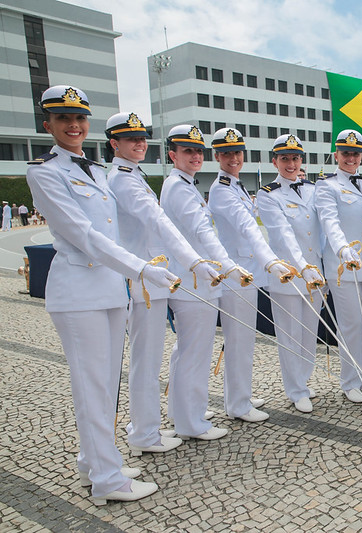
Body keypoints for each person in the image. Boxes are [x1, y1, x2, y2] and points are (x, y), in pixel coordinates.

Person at [26, 85, 178, 504]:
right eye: (63, 119)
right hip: (79, 292)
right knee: (92, 387)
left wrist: (134, 273)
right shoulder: (43, 172)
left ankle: (95, 461)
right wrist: (142, 268)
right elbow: (83, 235)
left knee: (107, 384)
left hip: (111, 290)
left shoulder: (93, 170)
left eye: (79, 119)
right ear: (48, 124)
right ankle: (108, 482)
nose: (73, 126)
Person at [106, 112, 217, 457]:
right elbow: (157, 221)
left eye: (141, 139)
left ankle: (146, 427)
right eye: (131, 140)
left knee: (150, 360)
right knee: (145, 360)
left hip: (151, 282)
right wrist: (195, 260)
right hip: (142, 282)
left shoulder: (134, 175)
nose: (139, 145)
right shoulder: (124, 178)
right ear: (115, 144)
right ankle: (144, 434)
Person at [159, 124, 247, 441]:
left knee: (186, 352)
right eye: (188, 151)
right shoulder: (179, 188)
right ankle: (191, 422)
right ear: (173, 154)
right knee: (194, 354)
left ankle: (182, 410)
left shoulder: (184, 184)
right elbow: (202, 232)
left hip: (196, 282)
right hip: (195, 284)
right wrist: (229, 264)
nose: (195, 156)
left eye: (198, 150)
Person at [207, 128, 291, 423]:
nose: (233, 158)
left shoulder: (236, 186)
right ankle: (238, 405)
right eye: (227, 153)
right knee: (238, 340)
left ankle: (239, 395)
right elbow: (247, 225)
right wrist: (271, 260)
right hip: (235, 276)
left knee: (243, 340)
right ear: (217, 156)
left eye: (237, 152)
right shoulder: (220, 190)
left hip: (247, 274)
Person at [257, 134, 325, 413]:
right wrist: (303, 267)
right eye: (284, 158)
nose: (290, 163)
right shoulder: (268, 194)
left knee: (309, 332)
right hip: (289, 275)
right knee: (290, 334)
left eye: (295, 158)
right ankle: (295, 390)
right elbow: (283, 235)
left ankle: (304, 383)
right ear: (275, 161)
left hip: (316, 275)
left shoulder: (312, 189)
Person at [315, 129, 362, 403]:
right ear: (336, 155)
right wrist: (343, 250)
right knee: (350, 324)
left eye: (355, 153)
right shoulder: (326, 186)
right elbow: (330, 223)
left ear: (360, 155)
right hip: (342, 267)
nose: (350, 158)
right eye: (345, 153)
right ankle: (349, 380)